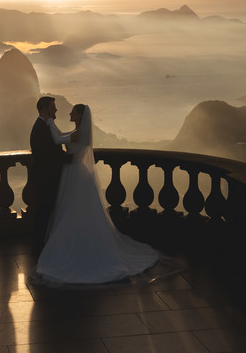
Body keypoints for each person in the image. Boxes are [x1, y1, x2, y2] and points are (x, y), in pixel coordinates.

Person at [35, 103, 159, 284]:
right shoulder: (78, 132)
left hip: (75, 175)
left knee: (73, 209)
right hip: (74, 174)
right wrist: (52, 125)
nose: (69, 113)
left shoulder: (79, 133)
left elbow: (58, 140)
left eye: (73, 112)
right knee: (73, 209)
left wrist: (50, 123)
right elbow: (63, 136)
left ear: (78, 116)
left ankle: (78, 243)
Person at [29, 95, 70, 256]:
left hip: (47, 178)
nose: (56, 110)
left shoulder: (44, 125)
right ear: (44, 109)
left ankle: (40, 247)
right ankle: (38, 249)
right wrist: (73, 158)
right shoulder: (40, 128)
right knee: (42, 215)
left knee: (45, 215)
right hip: (45, 180)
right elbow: (50, 155)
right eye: (53, 107)